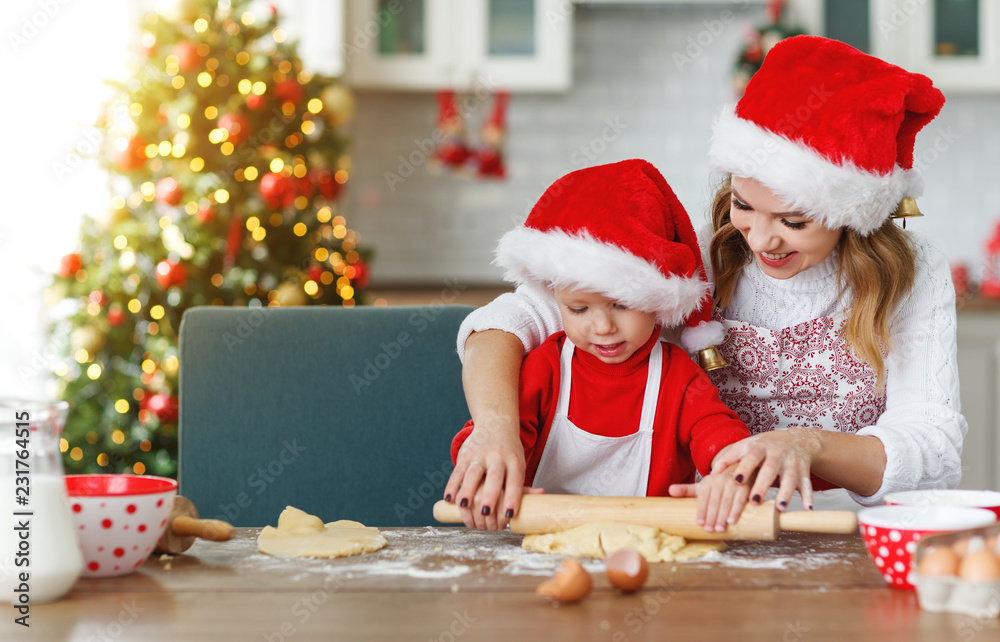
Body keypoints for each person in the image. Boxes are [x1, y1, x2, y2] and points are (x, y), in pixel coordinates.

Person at [442, 35, 966, 529]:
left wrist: (806, 445)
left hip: (838, 534)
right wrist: (494, 427)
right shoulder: (695, 259)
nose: (761, 240)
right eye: (743, 205)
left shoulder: (913, 275)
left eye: (794, 222)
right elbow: (509, 320)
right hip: (704, 526)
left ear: (852, 210)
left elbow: (934, 450)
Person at [447, 159, 752, 531]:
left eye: (621, 305)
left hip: (647, 548)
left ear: (657, 299)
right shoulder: (546, 367)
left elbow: (716, 432)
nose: (603, 326)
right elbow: (494, 439)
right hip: (542, 546)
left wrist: (730, 471)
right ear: (556, 301)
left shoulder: (678, 377)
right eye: (578, 309)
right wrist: (483, 464)